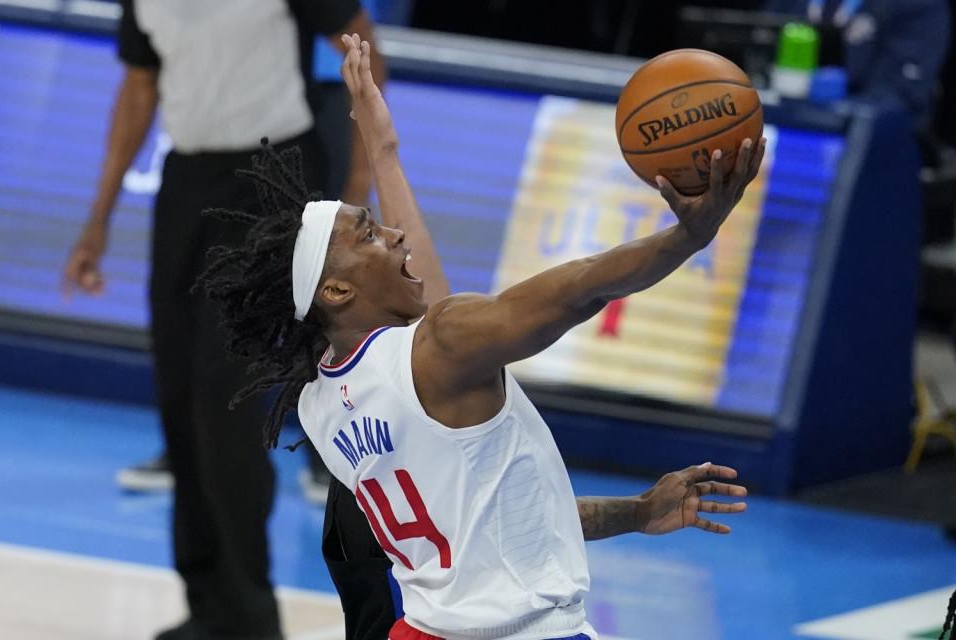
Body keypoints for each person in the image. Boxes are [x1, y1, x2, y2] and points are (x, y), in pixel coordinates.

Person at [198, 35, 761, 639]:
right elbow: (579, 288)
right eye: (368, 236)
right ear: (336, 292)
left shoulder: (321, 406)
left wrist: (640, 511)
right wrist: (688, 237)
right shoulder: (440, 346)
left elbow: (504, 524)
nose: (394, 236)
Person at [62, 2, 384, 639]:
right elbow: (139, 88)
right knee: (179, 400)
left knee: (224, 400)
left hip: (273, 180)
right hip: (186, 181)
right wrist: (98, 217)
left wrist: (358, 190)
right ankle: (208, 606)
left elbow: (364, 50)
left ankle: (250, 620)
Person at [765, 0, 950, 130]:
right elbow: (760, 45)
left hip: (874, 141)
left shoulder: (918, 5)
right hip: (784, 122)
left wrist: (827, 116)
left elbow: (901, 97)